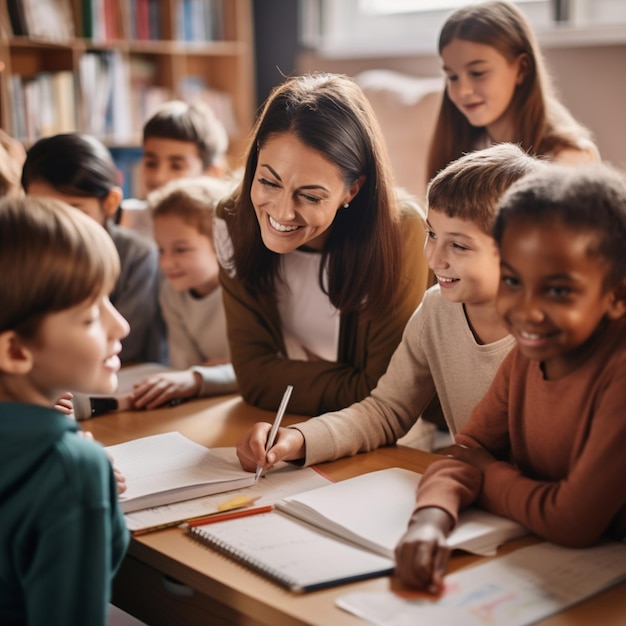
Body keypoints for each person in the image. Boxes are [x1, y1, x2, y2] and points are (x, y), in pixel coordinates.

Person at [235, 143, 544, 471]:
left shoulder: (549, 333)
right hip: (469, 493)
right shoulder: (436, 309)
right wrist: (298, 439)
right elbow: (385, 412)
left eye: (458, 245)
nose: (434, 258)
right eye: (431, 233)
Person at [395, 162, 626, 591]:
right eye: (513, 281)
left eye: (558, 290)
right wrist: (430, 520)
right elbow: (467, 451)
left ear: (616, 295)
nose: (526, 311)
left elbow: (573, 520)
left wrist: (489, 474)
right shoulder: (527, 354)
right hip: (543, 561)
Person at [215, 72, 431, 416]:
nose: (282, 212)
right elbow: (253, 377)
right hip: (278, 425)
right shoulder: (231, 218)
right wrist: (351, 382)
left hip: (393, 437)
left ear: (353, 190)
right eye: (269, 181)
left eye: (310, 196)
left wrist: (284, 376)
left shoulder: (402, 231)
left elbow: (385, 392)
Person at [0, 195, 130, 625]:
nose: (121, 325)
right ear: (16, 350)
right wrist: (78, 471)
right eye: (91, 316)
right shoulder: (70, 471)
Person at [21, 132, 166, 365]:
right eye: (43, 210)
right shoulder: (23, 258)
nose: (58, 226)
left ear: (109, 203)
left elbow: (124, 345)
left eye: (74, 211)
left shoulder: (137, 256)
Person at [427, 0, 599, 182]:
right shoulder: (460, 149)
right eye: (452, 77)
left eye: (478, 73)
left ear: (522, 69)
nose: (462, 91)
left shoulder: (568, 160)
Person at [129, 176, 238, 409]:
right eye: (161, 249)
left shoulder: (245, 290)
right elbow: (184, 369)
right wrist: (219, 371)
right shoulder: (171, 292)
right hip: (208, 404)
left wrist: (215, 373)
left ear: (223, 244)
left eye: (181, 249)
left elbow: (261, 371)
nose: (166, 263)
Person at [142, 99, 230, 194]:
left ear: (213, 174)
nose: (159, 177)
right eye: (151, 163)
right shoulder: (130, 208)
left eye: (176, 166)